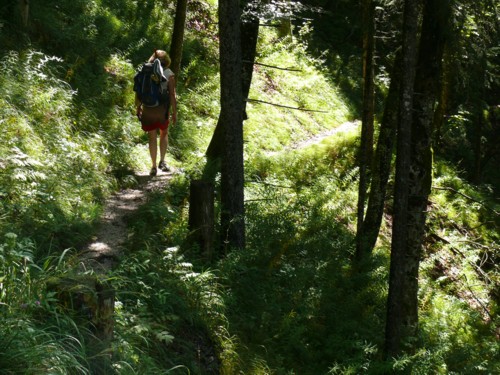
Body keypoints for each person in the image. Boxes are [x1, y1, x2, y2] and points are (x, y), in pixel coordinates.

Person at [135, 49, 177, 176]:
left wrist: (138, 107)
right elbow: (172, 95)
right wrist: (174, 112)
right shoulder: (169, 73)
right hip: (162, 109)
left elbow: (138, 90)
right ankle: (162, 162)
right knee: (164, 133)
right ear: (167, 60)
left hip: (148, 108)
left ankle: (153, 167)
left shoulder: (145, 71)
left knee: (151, 137)